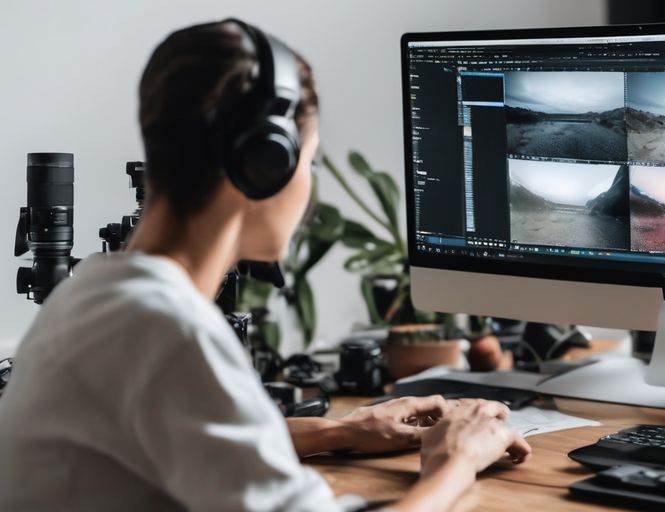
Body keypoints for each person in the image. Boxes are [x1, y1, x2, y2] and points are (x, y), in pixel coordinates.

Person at [0, 19, 530, 512]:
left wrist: (337, 430)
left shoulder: (94, 291)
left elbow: (170, 434)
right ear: (264, 164)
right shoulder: (170, 332)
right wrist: (456, 459)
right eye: (310, 162)